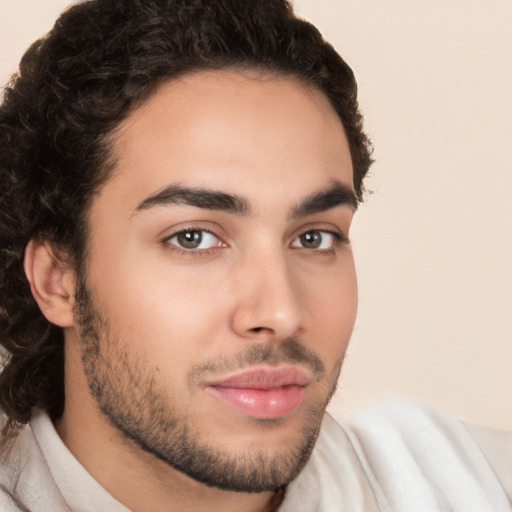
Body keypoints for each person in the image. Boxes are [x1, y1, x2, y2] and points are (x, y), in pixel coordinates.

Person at [0, 0, 510, 511]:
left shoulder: (476, 484)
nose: (282, 314)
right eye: (193, 238)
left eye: (314, 238)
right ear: (57, 279)